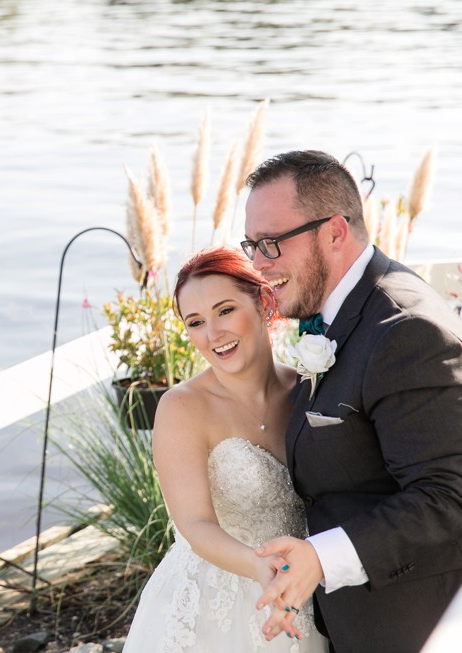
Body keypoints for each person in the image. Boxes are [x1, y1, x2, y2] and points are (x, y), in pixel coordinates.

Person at [242, 150, 462, 653]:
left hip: (411, 626)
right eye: (252, 245)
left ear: (335, 232)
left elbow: (449, 496)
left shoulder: (407, 332)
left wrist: (322, 558)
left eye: (272, 243)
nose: (258, 264)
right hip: (349, 620)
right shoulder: (332, 311)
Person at [122, 246, 329, 652]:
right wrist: (257, 565)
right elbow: (195, 524)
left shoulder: (307, 390)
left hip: (304, 591)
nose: (213, 334)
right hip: (214, 602)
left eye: (225, 311)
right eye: (196, 322)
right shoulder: (182, 407)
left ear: (265, 302)